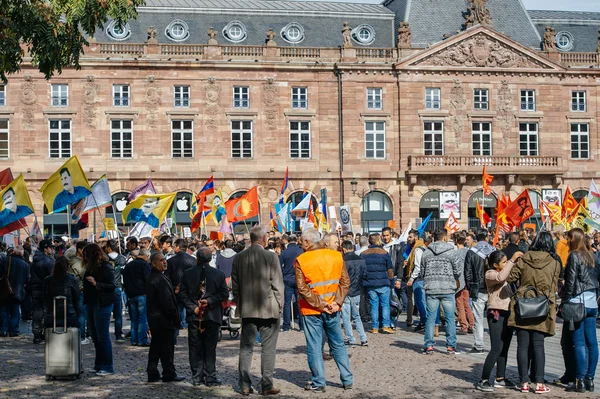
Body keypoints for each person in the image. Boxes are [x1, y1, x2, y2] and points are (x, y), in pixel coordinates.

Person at [296, 228, 352, 392]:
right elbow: (345, 282)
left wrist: (321, 304)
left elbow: (302, 288)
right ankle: (347, 379)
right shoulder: (336, 256)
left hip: (311, 310)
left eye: (301, 241)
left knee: (314, 346)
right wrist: (336, 303)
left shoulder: (301, 260)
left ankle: (319, 382)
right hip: (333, 309)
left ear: (307, 242)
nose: (300, 244)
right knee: (338, 344)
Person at [231, 226, 283, 396]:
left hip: (248, 309)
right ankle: (267, 385)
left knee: (246, 348)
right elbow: (277, 284)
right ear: (263, 239)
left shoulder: (238, 257)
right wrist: (280, 305)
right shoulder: (271, 256)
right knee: (268, 349)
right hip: (269, 308)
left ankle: (245, 385)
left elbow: (235, 285)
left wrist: (240, 303)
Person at [507, 231, 561, 394]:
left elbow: (511, 278)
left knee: (522, 345)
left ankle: (523, 382)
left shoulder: (524, 258)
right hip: (543, 305)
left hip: (523, 304)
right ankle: (539, 383)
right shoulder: (554, 262)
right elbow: (555, 284)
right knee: (538, 346)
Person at [180, 247, 228, 387]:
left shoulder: (216, 274)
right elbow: (224, 294)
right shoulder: (217, 274)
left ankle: (199, 376)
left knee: (197, 347)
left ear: (198, 258)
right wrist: (195, 307)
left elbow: (182, 294)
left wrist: (207, 302)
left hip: (207, 314)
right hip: (203, 315)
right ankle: (208, 376)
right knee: (208, 347)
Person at [475, 250, 522, 392]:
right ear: (495, 264)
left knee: (504, 348)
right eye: (504, 261)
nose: (507, 263)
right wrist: (512, 260)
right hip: (495, 313)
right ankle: (483, 379)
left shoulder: (505, 272)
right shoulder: (490, 274)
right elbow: (501, 277)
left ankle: (500, 378)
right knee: (496, 348)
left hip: (507, 312)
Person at [562, 228, 599, 393]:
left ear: (574, 239)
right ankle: (589, 379)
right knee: (592, 343)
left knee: (579, 343)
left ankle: (579, 380)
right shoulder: (594, 256)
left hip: (578, 302)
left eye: (568, 238)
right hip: (592, 303)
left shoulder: (574, 256)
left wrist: (565, 302)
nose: (567, 241)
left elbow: (570, 281)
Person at [420, 229, 461, 355]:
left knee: (431, 318)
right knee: (449, 318)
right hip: (447, 287)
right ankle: (450, 346)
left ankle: (429, 345)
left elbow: (422, 271)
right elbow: (458, 271)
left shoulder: (426, 252)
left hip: (431, 288)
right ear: (444, 238)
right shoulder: (451, 252)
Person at [146, 252, 185, 383]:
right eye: (161, 260)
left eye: (165, 259)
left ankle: (152, 372)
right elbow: (166, 302)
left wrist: (174, 290)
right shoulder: (157, 278)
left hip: (157, 319)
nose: (164, 262)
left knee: (156, 347)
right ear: (154, 263)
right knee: (166, 348)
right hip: (162, 319)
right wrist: (175, 317)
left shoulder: (157, 277)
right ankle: (168, 373)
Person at [83, 243, 116, 376]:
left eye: (86, 256)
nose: (84, 258)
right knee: (95, 336)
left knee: (103, 336)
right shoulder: (91, 267)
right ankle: (99, 364)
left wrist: (97, 284)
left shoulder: (106, 267)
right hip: (92, 302)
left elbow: (112, 285)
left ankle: (108, 366)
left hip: (101, 303)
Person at [465, 229, 495, 354]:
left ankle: (479, 345)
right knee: (494, 318)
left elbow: (467, 272)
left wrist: (469, 286)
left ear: (476, 238)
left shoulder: (471, 252)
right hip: (493, 288)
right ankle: (496, 345)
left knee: (478, 318)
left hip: (477, 288)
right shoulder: (494, 251)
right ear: (487, 237)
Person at [360, 233, 394, 334]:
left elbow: (362, 270)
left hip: (370, 283)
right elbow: (390, 269)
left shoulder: (363, 254)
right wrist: (391, 281)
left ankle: (375, 327)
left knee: (374, 305)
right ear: (378, 240)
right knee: (385, 305)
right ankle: (386, 325)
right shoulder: (384, 253)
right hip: (383, 282)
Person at [165, 238, 196, 331]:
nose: (174, 248)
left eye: (174, 246)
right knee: (189, 308)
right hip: (189, 289)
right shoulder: (193, 260)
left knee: (177, 309)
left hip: (175, 290)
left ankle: (177, 327)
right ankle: (188, 325)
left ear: (178, 247)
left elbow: (167, 278)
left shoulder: (170, 261)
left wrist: (173, 288)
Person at [340, 240, 367, 346]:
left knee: (346, 317)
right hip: (357, 290)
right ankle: (363, 338)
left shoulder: (343, 260)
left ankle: (351, 338)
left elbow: (341, 277)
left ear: (344, 249)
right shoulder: (361, 259)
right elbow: (365, 275)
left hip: (346, 291)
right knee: (357, 316)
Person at [121, 249, 151, 346]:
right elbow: (148, 279)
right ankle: (142, 340)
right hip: (141, 294)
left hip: (130, 294)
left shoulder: (129, 265)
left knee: (134, 319)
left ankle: (134, 340)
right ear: (146, 256)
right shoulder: (144, 265)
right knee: (142, 318)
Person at [0, 246, 30, 337]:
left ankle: (3, 330)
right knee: (15, 310)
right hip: (18, 290)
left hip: (5, 289)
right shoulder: (26, 265)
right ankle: (13, 330)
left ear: (13, 252)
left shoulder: (5, 260)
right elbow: (27, 280)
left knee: (4, 309)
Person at [43, 256, 80, 329]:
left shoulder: (48, 280)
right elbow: (76, 297)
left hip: (52, 314)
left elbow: (45, 297)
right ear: (68, 266)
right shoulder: (72, 279)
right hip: (69, 314)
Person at [30, 239, 55, 344]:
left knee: (37, 311)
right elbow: (52, 276)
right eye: (50, 247)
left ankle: (36, 334)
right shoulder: (49, 261)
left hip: (35, 288)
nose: (51, 250)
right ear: (46, 248)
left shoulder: (34, 260)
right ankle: (45, 333)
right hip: (46, 289)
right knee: (46, 312)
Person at [65, 241, 89, 344]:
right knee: (81, 314)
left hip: (73, 290)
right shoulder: (79, 263)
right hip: (80, 290)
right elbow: (84, 275)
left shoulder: (71, 261)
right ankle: (81, 336)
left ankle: (76, 334)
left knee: (76, 313)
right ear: (79, 250)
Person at [279, 234, 304, 332]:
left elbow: (279, 266)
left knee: (287, 304)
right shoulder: (301, 251)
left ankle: (286, 326)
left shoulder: (284, 252)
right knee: (299, 303)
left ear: (288, 241)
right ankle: (302, 326)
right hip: (299, 279)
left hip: (287, 279)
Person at [382, 227, 407, 315]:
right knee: (385, 301)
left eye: (387, 235)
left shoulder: (397, 247)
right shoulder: (381, 247)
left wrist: (399, 279)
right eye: (384, 235)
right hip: (383, 277)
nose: (385, 237)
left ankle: (392, 321)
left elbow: (400, 264)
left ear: (391, 235)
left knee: (394, 300)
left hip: (394, 276)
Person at [105, 240, 126, 343]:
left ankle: (104, 334)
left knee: (106, 313)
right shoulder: (122, 259)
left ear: (108, 247)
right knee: (118, 314)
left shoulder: (104, 258)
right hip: (118, 287)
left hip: (107, 288)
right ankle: (118, 334)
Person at [406, 230, 427, 331]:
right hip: (421, 278)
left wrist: (411, 278)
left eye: (410, 237)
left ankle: (424, 322)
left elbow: (418, 266)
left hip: (419, 279)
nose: (408, 239)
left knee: (420, 301)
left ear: (416, 237)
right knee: (421, 301)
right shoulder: (421, 247)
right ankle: (424, 321)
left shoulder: (418, 249)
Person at [454, 232, 474, 335]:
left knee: (459, 303)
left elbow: (456, 269)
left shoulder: (456, 254)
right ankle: (471, 324)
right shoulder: (469, 252)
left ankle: (463, 326)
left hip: (459, 281)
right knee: (466, 303)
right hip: (467, 280)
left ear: (456, 241)